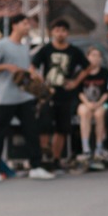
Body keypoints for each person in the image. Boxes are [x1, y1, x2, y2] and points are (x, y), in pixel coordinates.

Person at [0, 14, 53, 181]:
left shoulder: (24, 47)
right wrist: (6, 66)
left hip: (24, 95)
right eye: (24, 23)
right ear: (14, 25)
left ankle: (36, 166)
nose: (28, 27)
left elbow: (26, 69)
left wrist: (35, 76)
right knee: (1, 132)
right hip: (6, 96)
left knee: (31, 130)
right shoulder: (2, 45)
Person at [32, 18, 89, 171]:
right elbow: (32, 66)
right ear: (52, 32)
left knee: (62, 128)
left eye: (63, 30)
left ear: (67, 33)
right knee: (44, 126)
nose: (60, 33)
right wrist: (41, 82)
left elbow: (87, 67)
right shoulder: (46, 49)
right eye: (57, 30)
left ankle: (56, 158)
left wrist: (76, 82)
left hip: (65, 95)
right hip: (47, 94)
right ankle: (44, 156)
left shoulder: (74, 51)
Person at [75, 46, 108, 170]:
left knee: (100, 114)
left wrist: (99, 103)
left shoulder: (105, 73)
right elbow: (79, 91)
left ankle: (99, 148)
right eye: (92, 55)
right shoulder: (82, 73)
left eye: (98, 55)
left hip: (102, 103)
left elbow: (107, 92)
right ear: (87, 57)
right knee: (84, 112)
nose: (95, 58)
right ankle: (86, 148)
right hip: (85, 102)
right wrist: (88, 103)